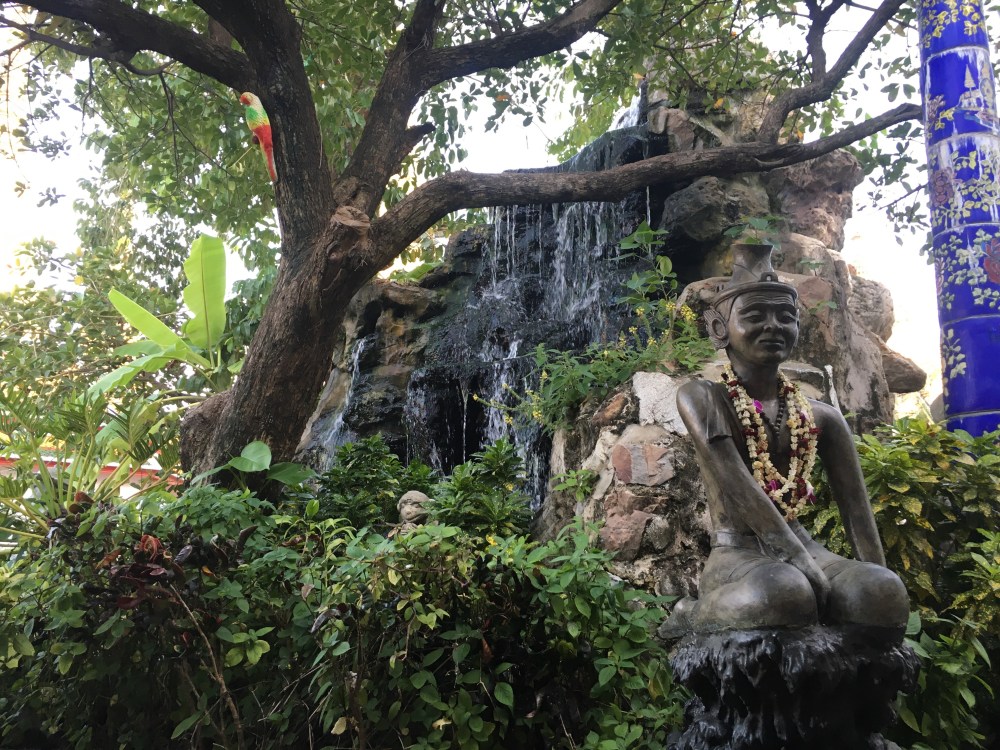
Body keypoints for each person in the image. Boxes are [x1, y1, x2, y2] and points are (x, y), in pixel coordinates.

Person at [664, 244, 909, 635]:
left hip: (804, 544)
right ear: (718, 328)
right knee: (786, 592)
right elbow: (739, 487)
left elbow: (857, 513)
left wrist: (880, 588)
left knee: (880, 592)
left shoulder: (821, 416)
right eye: (755, 316)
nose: (773, 326)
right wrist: (799, 561)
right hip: (737, 554)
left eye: (785, 317)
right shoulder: (703, 397)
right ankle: (691, 614)